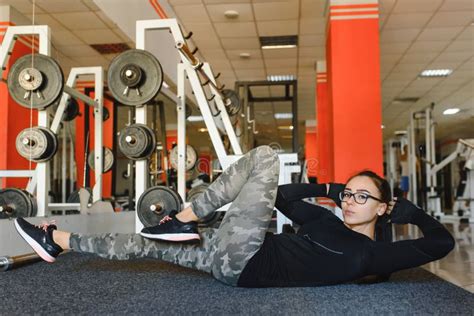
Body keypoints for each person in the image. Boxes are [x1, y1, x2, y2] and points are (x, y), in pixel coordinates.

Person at [14, 146, 455, 287]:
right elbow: (282, 196)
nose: (351, 200)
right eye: (349, 193)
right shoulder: (326, 222)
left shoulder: (371, 254)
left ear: (382, 207)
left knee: (264, 157)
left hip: (247, 261)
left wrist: (415, 215)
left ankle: (186, 217)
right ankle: (61, 240)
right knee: (146, 242)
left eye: (362, 196)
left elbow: (441, 245)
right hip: (229, 262)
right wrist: (327, 189)